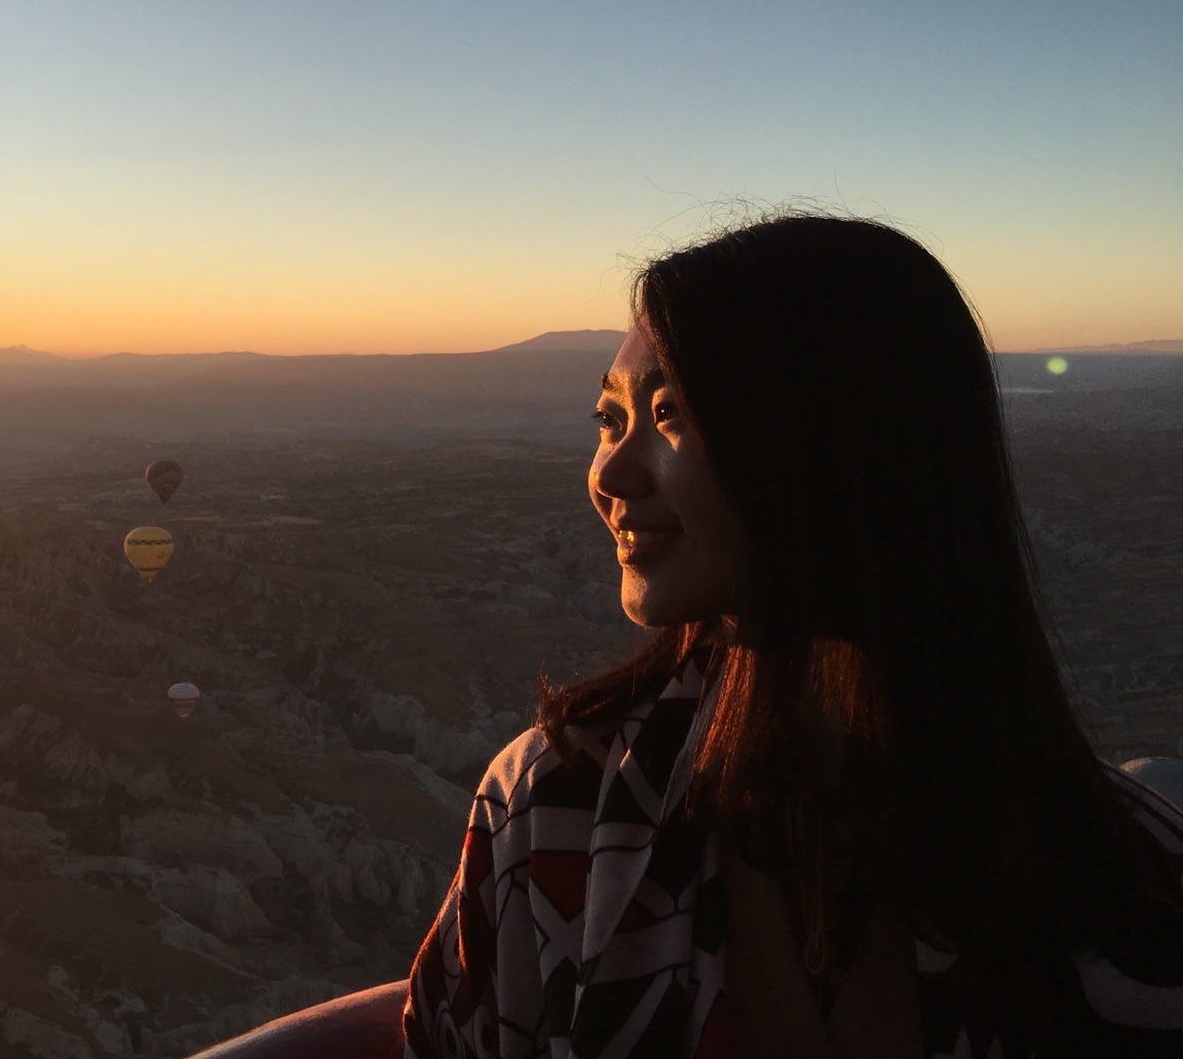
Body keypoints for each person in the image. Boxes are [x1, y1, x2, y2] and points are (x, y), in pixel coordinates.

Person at [402, 214, 1183, 1059]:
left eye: (668, 414)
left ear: (832, 440)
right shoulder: (549, 815)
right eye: (607, 418)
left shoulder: (1133, 881)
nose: (609, 474)